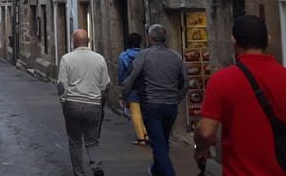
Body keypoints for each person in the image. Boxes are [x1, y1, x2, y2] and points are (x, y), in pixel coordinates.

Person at [193, 15, 286, 175]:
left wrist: (200, 149)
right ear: (268, 40)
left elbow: (206, 132)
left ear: (234, 41)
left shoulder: (221, 81)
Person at [122, 24, 188, 176]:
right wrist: (177, 97)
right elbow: (185, 81)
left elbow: (131, 77)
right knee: (162, 140)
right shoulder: (176, 56)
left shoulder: (144, 55)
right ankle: (156, 170)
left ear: (150, 38)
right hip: (170, 106)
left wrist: (124, 95)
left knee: (158, 144)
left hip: (151, 105)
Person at [57, 29, 111, 176]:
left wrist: (64, 103)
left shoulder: (66, 59)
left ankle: (79, 173)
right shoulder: (99, 58)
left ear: (73, 41)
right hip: (93, 104)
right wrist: (101, 102)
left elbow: (62, 86)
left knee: (75, 142)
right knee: (92, 140)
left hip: (73, 103)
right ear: (88, 41)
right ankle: (97, 166)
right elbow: (105, 85)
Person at [118, 33, 149, 146]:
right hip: (145, 86)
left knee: (135, 112)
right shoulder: (145, 54)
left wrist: (122, 87)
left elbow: (121, 73)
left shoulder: (124, 55)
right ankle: (147, 134)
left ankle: (141, 137)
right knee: (145, 111)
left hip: (132, 87)